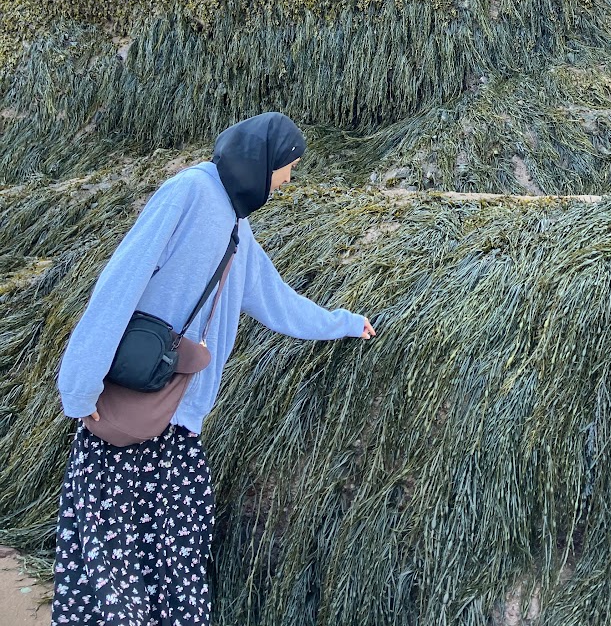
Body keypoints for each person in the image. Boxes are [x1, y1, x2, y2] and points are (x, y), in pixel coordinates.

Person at [52, 111, 374, 625]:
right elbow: (119, 281)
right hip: (125, 405)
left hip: (177, 419)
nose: (287, 178)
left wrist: (345, 323)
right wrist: (80, 386)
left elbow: (277, 302)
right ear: (263, 160)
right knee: (118, 562)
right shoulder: (188, 192)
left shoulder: (238, 230)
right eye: (287, 166)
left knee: (164, 561)